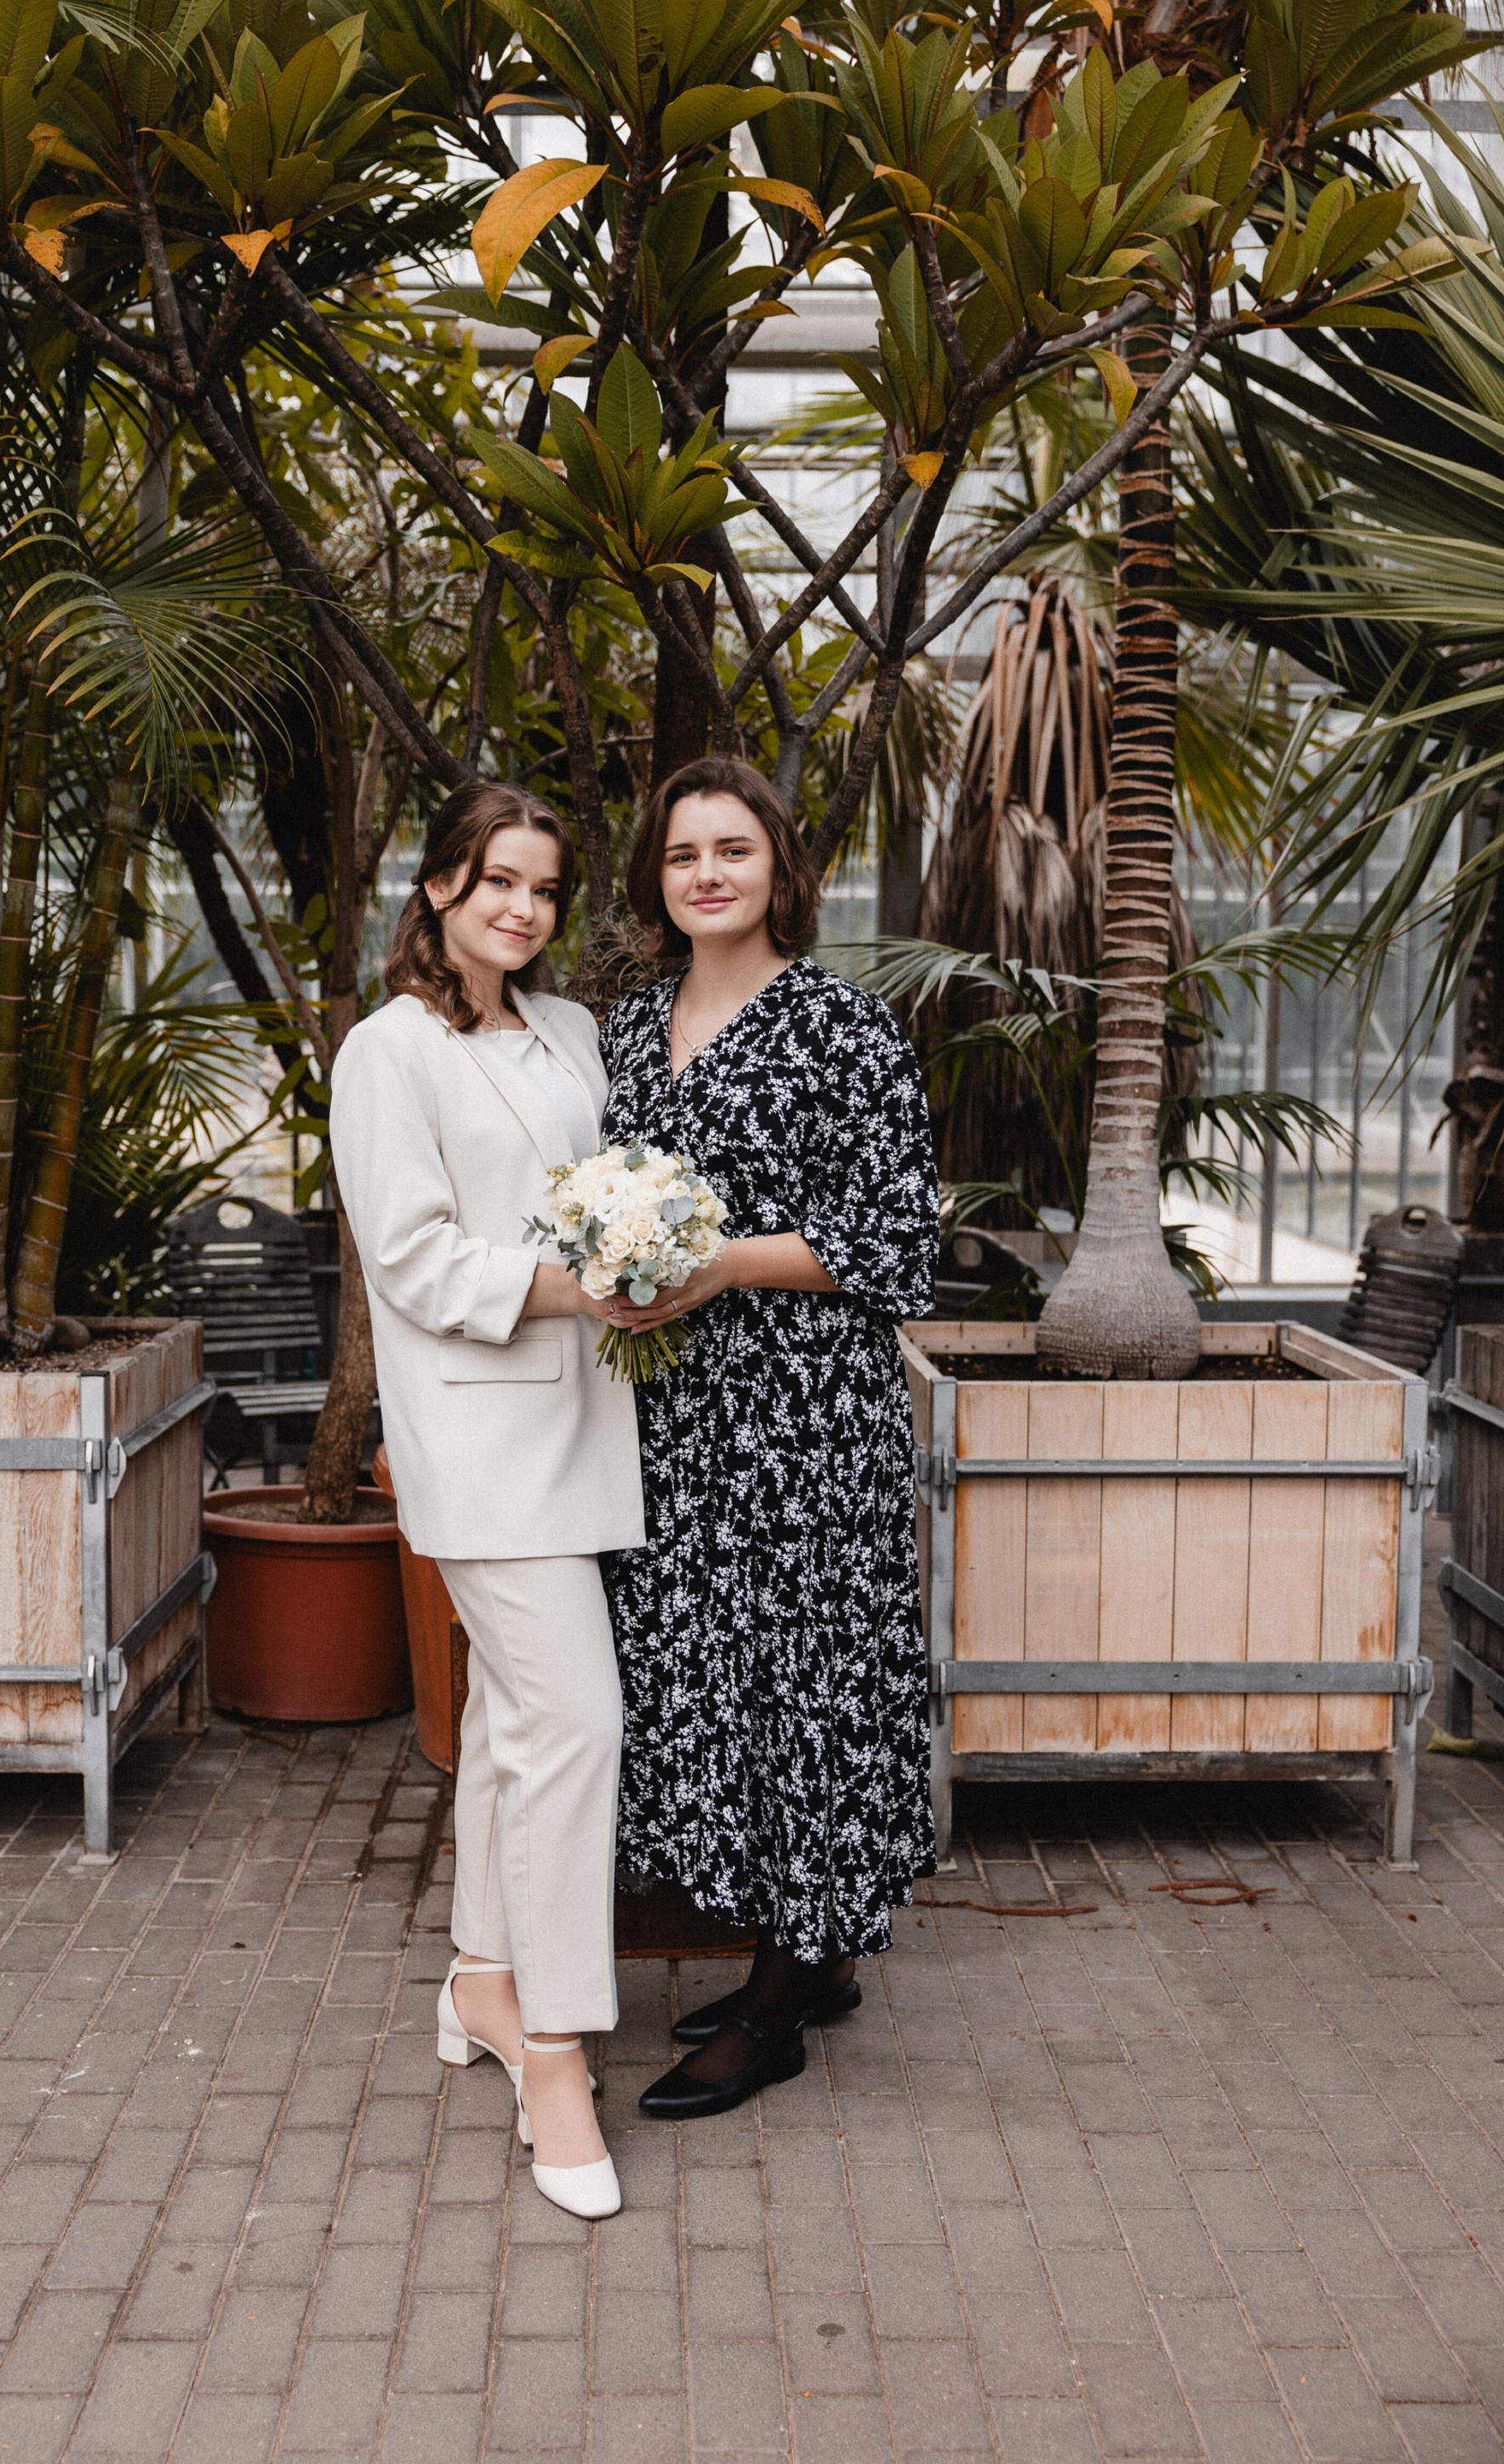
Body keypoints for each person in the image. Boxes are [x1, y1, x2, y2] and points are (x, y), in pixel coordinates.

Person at [598, 755, 940, 2119]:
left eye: (732, 849)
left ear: (779, 868)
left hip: (806, 1420)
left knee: (809, 1681)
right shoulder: (630, 1030)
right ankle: (816, 1947)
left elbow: (900, 1238)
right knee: (717, 1676)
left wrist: (724, 1263)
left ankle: (779, 2002)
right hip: (675, 1415)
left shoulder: (843, 1025)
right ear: (657, 876)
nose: (707, 874)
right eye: (684, 853)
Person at [330, 780, 645, 2218]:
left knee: (523, 1725)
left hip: (589, 1421)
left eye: (544, 888)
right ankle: (558, 2047)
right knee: (580, 1719)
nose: (523, 908)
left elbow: (608, 1188)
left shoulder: (569, 1028)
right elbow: (411, 1256)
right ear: (441, 885)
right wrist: (581, 1286)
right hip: (478, 1438)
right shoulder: (388, 1051)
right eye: (498, 880)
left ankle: (476, 1978)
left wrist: (646, 1258)